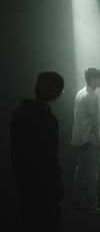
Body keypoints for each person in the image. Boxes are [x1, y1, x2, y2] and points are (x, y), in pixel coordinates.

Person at [10, 72, 65, 232]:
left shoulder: (18, 114)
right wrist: (59, 190)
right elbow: (50, 159)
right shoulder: (49, 121)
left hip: (24, 183)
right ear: (54, 92)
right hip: (45, 190)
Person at [71, 68, 100, 213]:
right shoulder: (92, 97)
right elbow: (94, 122)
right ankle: (92, 204)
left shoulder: (80, 93)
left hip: (79, 138)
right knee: (92, 173)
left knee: (80, 171)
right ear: (93, 79)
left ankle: (78, 201)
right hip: (90, 139)